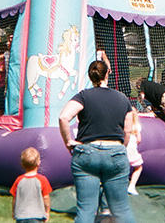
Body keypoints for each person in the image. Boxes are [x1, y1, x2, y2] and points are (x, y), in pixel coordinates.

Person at [58, 60, 136, 223]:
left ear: (90, 76)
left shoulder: (83, 96)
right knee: (121, 210)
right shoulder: (122, 99)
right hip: (115, 152)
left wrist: (68, 141)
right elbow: (127, 130)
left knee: (86, 210)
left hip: (86, 153)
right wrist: (121, 148)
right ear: (108, 73)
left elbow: (63, 117)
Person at [10, 147, 52, 223]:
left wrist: (14, 211)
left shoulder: (19, 180)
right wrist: (47, 211)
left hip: (21, 216)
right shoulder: (42, 180)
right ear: (39, 163)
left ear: (22, 164)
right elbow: (46, 198)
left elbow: (14, 199)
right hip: (37, 216)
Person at [126, 109, 143, 196]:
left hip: (122, 147)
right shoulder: (136, 125)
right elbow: (139, 139)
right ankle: (132, 186)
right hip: (132, 148)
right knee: (138, 167)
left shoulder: (123, 124)